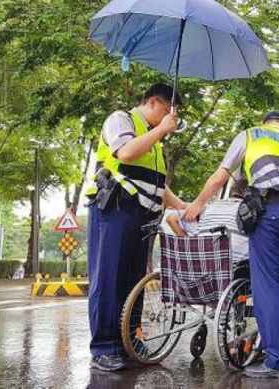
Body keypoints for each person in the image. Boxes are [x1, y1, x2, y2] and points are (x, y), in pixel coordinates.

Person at [184, 111, 279, 379]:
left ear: (265, 124)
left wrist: (197, 203)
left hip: (269, 213)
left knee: (267, 286)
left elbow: (221, 176)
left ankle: (278, 361)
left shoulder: (251, 134)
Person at [85, 83, 187, 372]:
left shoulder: (153, 141)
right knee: (109, 278)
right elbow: (125, 153)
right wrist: (161, 130)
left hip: (143, 215)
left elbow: (156, 182)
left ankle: (128, 342)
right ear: (154, 102)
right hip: (115, 209)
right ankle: (104, 348)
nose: (172, 119)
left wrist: (182, 206)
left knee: (133, 282)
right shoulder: (122, 120)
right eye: (169, 111)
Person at [164, 185, 249, 262]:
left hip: (201, 270)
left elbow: (171, 219)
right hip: (234, 271)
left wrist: (188, 246)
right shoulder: (250, 214)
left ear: (230, 194)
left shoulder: (206, 209)